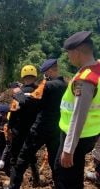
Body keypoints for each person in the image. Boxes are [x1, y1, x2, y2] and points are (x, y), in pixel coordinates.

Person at [8, 59, 67, 189]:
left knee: (22, 159)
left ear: (50, 70)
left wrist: (18, 93)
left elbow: (28, 101)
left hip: (40, 128)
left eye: (45, 72)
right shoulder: (65, 85)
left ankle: (13, 186)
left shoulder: (47, 86)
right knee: (55, 164)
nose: (44, 75)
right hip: (57, 128)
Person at [54, 31, 100, 189]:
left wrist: (68, 149)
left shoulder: (85, 80)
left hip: (76, 137)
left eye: (68, 53)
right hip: (90, 133)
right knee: (73, 173)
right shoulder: (97, 69)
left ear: (76, 52)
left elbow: (78, 115)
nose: (68, 57)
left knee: (65, 178)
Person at [8, 65, 41, 187]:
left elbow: (13, 112)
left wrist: (10, 127)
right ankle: (37, 179)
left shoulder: (19, 93)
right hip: (33, 129)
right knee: (31, 155)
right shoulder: (40, 91)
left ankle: (13, 184)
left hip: (19, 130)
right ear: (35, 76)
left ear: (23, 77)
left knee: (15, 158)